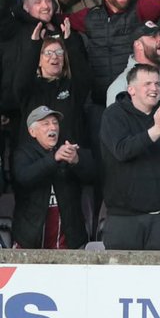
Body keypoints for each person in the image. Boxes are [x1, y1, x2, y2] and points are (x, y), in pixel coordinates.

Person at [99, 64, 160, 251]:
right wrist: (156, 130)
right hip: (124, 218)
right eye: (148, 84)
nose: (154, 88)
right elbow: (122, 150)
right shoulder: (113, 115)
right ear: (131, 89)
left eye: (157, 84)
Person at [11, 106, 95, 249]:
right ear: (32, 132)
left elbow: (93, 176)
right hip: (30, 241)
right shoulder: (23, 153)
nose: (53, 127)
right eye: (46, 124)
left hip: (69, 241)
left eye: (55, 123)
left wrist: (76, 161)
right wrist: (54, 159)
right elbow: (24, 177)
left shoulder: (69, 149)